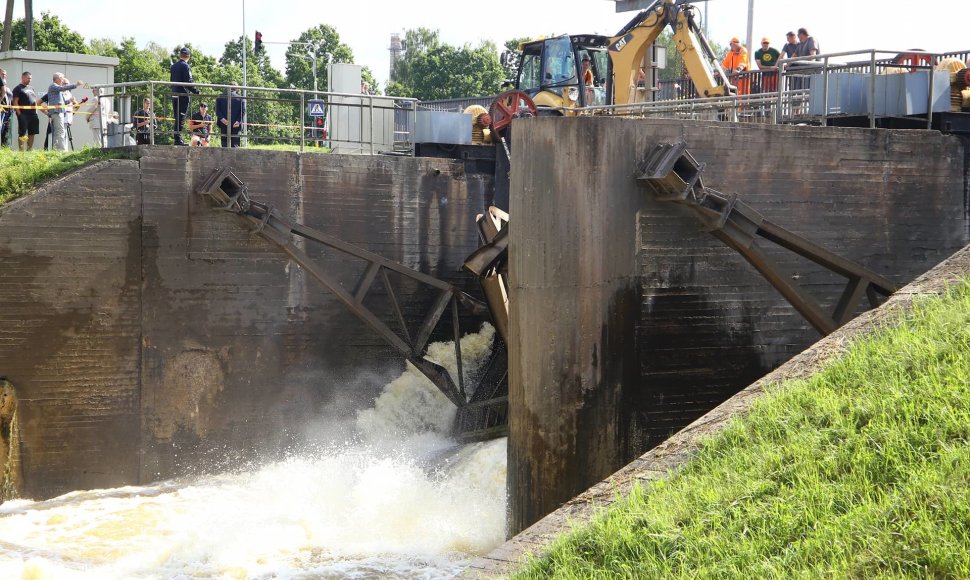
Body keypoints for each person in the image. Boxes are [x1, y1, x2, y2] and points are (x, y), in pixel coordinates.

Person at [45, 73, 84, 151]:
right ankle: (61, 150)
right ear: (57, 79)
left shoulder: (57, 89)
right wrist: (76, 84)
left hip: (59, 112)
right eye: (62, 79)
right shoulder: (53, 86)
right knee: (60, 131)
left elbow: (62, 102)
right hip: (56, 112)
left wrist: (69, 101)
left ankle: (56, 150)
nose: (63, 81)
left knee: (58, 132)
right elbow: (63, 88)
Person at [170, 47, 200, 146]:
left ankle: (177, 138)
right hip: (182, 95)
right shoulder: (186, 66)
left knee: (177, 117)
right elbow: (188, 82)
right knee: (181, 118)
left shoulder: (173, 66)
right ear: (189, 56)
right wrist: (196, 91)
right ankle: (178, 139)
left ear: (180, 55)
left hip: (174, 94)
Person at [11, 71, 40, 150]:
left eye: (30, 79)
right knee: (22, 133)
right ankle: (21, 151)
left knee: (32, 133)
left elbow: (34, 100)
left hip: (33, 114)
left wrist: (36, 111)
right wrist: (19, 114)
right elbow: (15, 101)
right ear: (23, 77)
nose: (30, 80)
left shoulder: (31, 88)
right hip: (23, 114)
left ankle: (29, 149)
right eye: (28, 78)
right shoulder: (18, 88)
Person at [215, 83, 245, 148]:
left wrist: (223, 120)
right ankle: (235, 158)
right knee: (235, 145)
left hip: (224, 124)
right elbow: (242, 111)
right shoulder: (240, 98)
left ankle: (224, 157)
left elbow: (217, 111)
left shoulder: (220, 97)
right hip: (235, 124)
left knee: (224, 144)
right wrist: (238, 121)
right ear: (236, 89)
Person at [0, 68, 10, 147]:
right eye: (2, 74)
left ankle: (3, 146)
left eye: (5, 74)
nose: (4, 76)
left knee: (4, 130)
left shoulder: (7, 88)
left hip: (7, 111)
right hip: (1, 108)